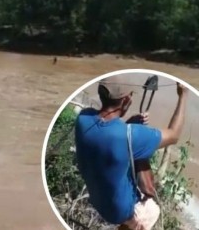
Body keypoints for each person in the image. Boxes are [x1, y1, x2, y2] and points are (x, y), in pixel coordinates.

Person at [74, 75, 188, 230]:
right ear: (126, 100)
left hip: (97, 202)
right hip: (120, 213)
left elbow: (109, 136)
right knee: (153, 210)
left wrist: (130, 124)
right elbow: (173, 135)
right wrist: (183, 95)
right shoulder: (130, 134)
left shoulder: (83, 118)